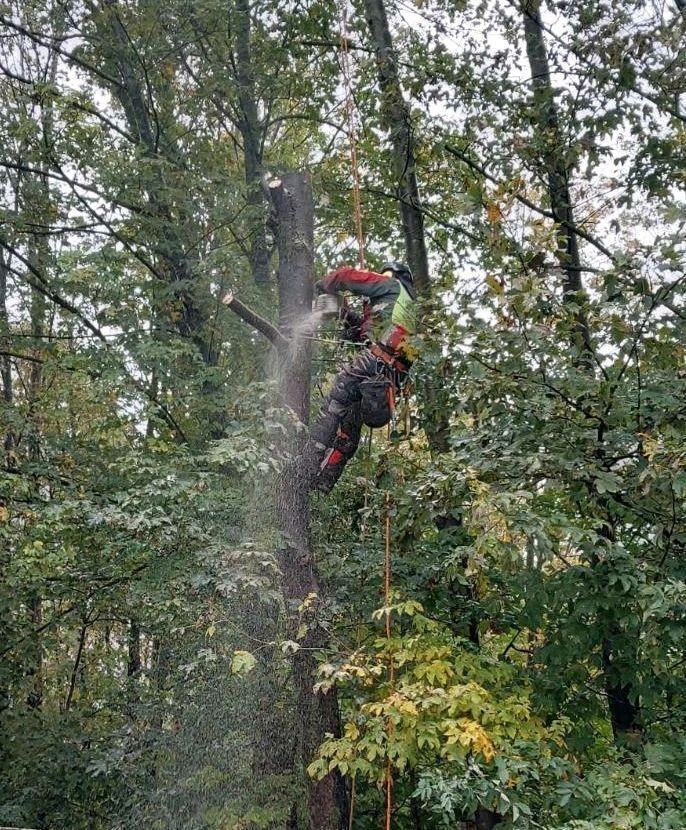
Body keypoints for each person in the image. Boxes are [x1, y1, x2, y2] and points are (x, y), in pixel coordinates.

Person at [305, 260, 418, 493]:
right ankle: (325, 479)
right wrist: (347, 316)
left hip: (374, 361)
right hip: (388, 377)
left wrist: (326, 284)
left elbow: (350, 277)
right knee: (350, 424)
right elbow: (367, 332)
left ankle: (307, 462)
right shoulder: (406, 310)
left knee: (335, 403)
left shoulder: (391, 286)